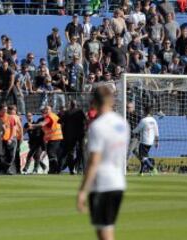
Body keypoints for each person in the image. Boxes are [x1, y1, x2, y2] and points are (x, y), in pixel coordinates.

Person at [77, 86, 129, 240]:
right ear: (112, 100)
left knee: (104, 234)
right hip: (118, 182)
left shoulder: (97, 127)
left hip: (102, 184)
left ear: (94, 102)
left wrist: (82, 191)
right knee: (107, 229)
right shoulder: (122, 124)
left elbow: (94, 161)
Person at [30, 106, 63, 174]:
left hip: (54, 138)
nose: (45, 110)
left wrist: (32, 125)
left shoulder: (49, 117)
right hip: (54, 138)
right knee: (52, 154)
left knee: (51, 153)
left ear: (51, 110)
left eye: (47, 109)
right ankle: (52, 170)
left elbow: (42, 124)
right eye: (45, 109)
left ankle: (56, 169)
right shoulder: (53, 116)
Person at [59, 100, 87, 174]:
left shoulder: (67, 112)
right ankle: (83, 169)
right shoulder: (80, 111)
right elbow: (86, 121)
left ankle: (70, 169)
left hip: (70, 135)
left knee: (69, 152)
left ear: (70, 105)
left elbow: (59, 121)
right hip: (80, 134)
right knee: (82, 152)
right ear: (76, 105)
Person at [133, 105, 159, 176]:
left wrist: (131, 131)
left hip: (144, 141)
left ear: (145, 111)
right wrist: (157, 142)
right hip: (151, 142)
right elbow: (156, 131)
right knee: (145, 156)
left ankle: (152, 168)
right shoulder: (154, 120)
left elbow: (137, 130)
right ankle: (141, 172)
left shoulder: (143, 120)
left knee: (143, 157)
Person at [0, 104, 17, 175]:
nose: (5, 111)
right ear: (0, 110)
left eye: (6, 110)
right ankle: (4, 170)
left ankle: (7, 168)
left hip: (9, 139)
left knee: (11, 155)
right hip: (1, 140)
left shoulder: (10, 118)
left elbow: (13, 129)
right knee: (2, 155)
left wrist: (11, 138)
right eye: (4, 109)